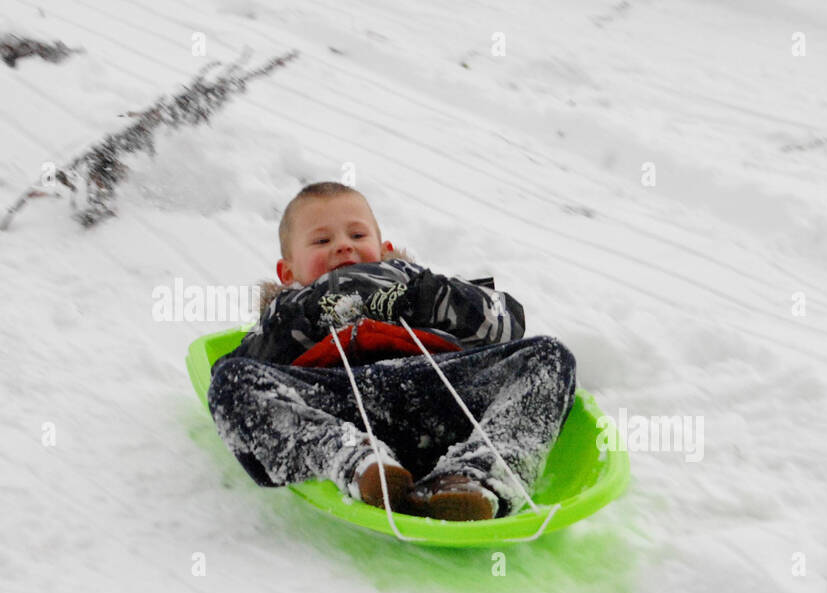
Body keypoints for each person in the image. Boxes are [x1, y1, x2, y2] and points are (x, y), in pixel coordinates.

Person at [207, 181, 576, 521]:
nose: (343, 245)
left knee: (548, 356)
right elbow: (245, 366)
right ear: (287, 272)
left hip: (441, 393)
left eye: (357, 234)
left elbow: (505, 323)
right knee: (231, 380)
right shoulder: (288, 312)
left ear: (384, 250)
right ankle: (356, 462)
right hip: (338, 404)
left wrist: (429, 298)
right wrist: (310, 312)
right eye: (321, 241)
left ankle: (472, 478)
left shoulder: (420, 286)